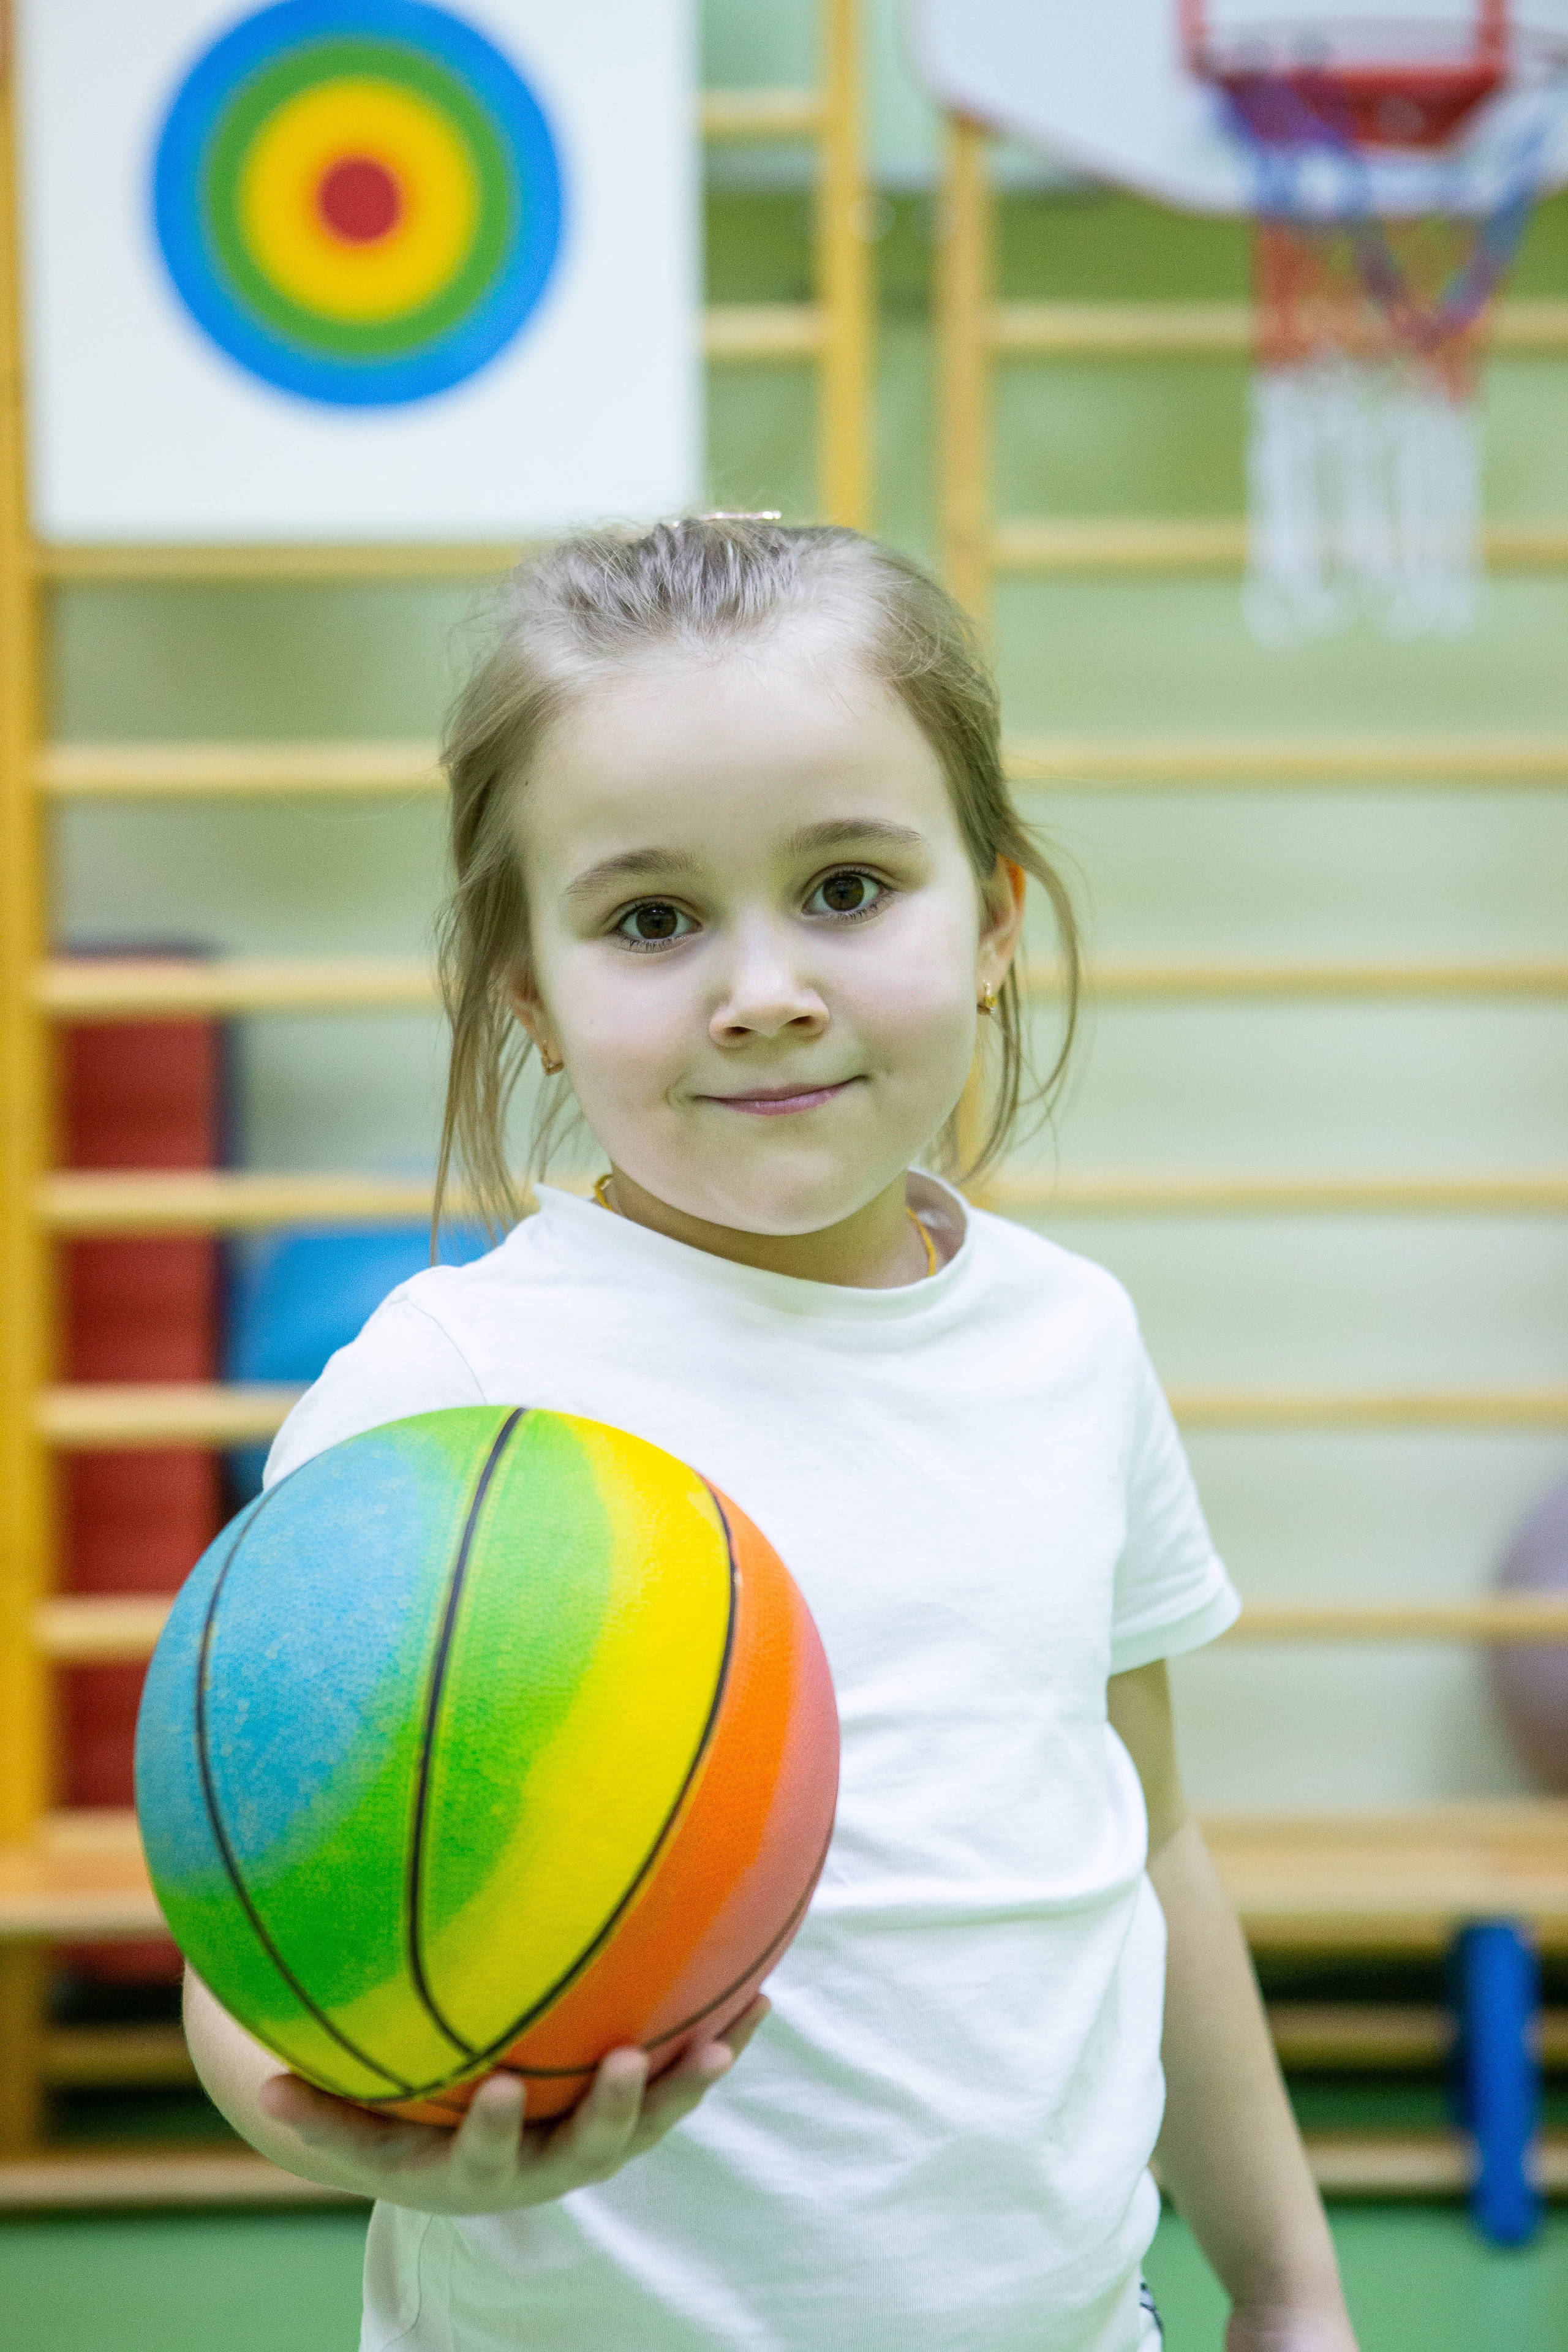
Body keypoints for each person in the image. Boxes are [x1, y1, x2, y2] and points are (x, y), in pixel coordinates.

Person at [184, 519, 1358, 2352]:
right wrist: (326, 2115)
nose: (764, 988)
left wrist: (1288, 2286)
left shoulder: (1069, 1341)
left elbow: (1149, 1839)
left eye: (845, 887)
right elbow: (256, 1924)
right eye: (652, 920)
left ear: (992, 923)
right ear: (533, 1000)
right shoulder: (446, 1394)